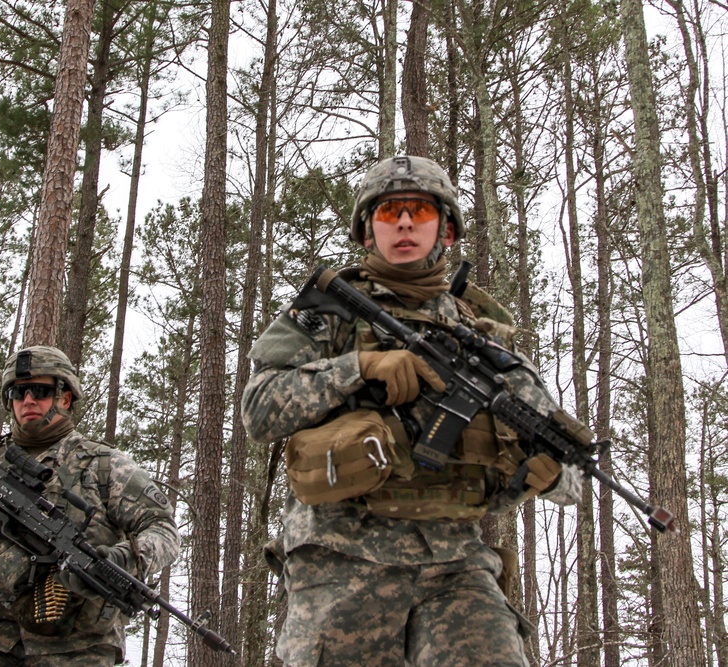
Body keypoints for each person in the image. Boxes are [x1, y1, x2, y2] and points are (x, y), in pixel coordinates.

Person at [241, 155, 583, 667]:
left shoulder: (484, 337)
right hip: (340, 561)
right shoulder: (327, 313)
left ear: (445, 231)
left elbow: (571, 478)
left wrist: (547, 474)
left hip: (456, 565)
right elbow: (258, 411)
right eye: (389, 213)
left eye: (420, 213)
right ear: (366, 233)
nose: (404, 223)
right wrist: (358, 367)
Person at [0, 345, 180, 666]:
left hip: (78, 646)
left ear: (64, 398)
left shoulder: (105, 466)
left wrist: (124, 559)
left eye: (40, 391)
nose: (28, 400)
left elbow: (164, 531)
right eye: (18, 392)